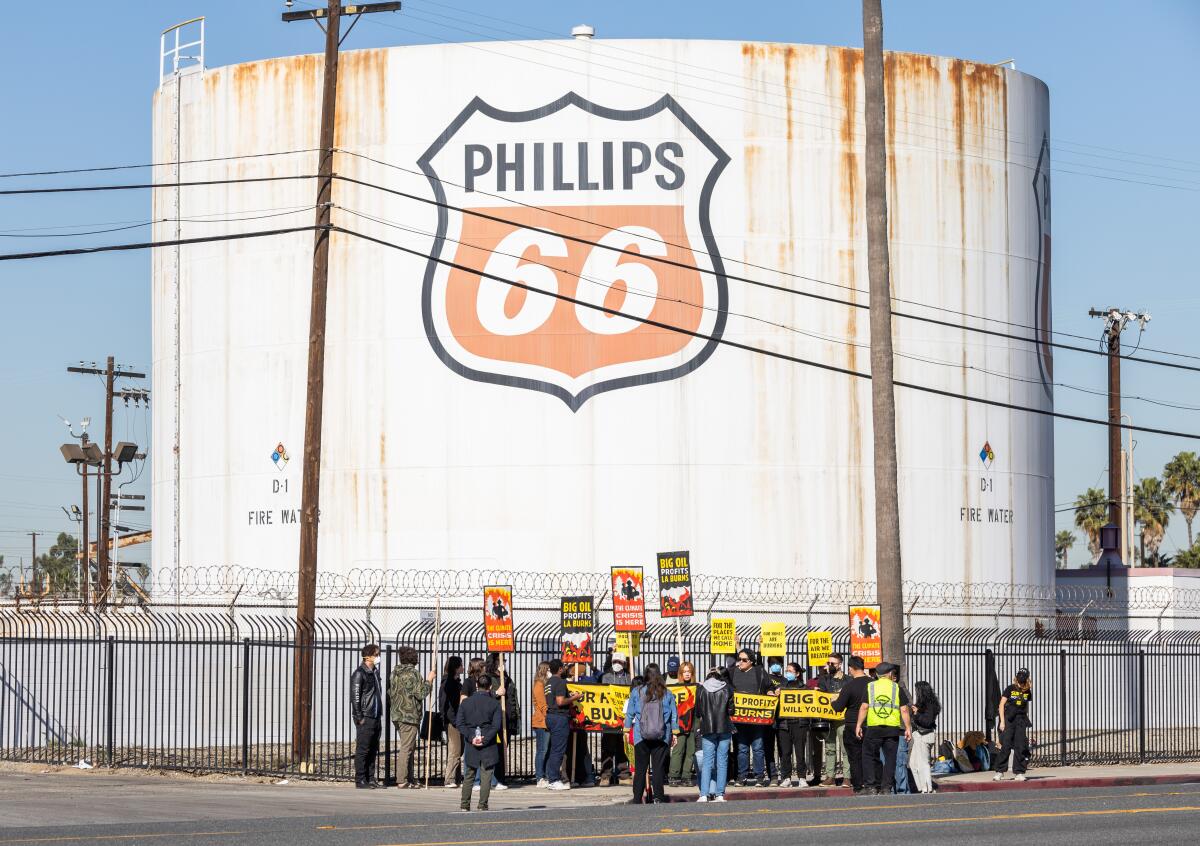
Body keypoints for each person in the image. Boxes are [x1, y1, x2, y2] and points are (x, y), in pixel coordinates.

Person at [855, 662, 912, 796]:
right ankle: (886, 788)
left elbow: (864, 707)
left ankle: (871, 786)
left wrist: (858, 725)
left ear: (878, 674)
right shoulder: (896, 688)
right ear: (890, 674)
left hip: (874, 727)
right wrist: (908, 728)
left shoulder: (870, 686)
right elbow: (904, 709)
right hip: (892, 728)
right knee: (890, 758)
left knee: (868, 756)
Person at [624, 664, 678, 804]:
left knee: (641, 768)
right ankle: (658, 797)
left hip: (641, 735)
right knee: (658, 768)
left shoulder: (637, 691)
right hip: (662, 735)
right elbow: (673, 716)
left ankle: (637, 798)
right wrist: (675, 733)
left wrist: (626, 729)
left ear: (646, 675)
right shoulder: (667, 693)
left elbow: (630, 713)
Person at [388, 645, 436, 788]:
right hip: (409, 715)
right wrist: (429, 680)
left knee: (409, 747)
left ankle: (409, 778)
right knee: (406, 748)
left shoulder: (395, 673)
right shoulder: (413, 674)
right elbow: (421, 693)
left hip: (397, 714)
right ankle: (402, 780)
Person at [455, 672, 503, 812]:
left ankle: (465, 804)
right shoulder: (494, 703)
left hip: (471, 740)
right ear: (489, 687)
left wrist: (471, 737)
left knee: (469, 774)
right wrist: (485, 738)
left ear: (477, 686)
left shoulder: (466, 703)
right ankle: (483, 804)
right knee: (486, 774)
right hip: (488, 741)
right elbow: (496, 725)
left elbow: (460, 723)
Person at [830, 655, 871, 793]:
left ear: (851, 668)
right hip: (871, 724)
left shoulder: (849, 686)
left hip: (853, 724)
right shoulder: (872, 683)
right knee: (870, 755)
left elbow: (838, 707)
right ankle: (871, 783)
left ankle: (859, 786)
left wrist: (832, 701)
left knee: (854, 756)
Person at [731, 648, 772, 786]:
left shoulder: (759, 672)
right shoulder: (732, 672)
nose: (740, 662)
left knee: (758, 748)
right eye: (739, 659)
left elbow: (769, 686)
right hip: (739, 720)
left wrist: (771, 692)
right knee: (741, 748)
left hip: (757, 719)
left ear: (751, 661)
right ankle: (741, 777)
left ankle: (759, 777)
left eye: (744, 660)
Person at [694, 666, 733, 802]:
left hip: (707, 728)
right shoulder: (727, 688)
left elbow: (698, 711)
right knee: (722, 761)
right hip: (725, 728)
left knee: (707, 762)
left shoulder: (701, 689)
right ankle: (720, 794)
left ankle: (703, 794)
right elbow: (731, 710)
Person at [544, 658, 582, 791]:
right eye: (563, 667)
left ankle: (552, 778)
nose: (565, 668)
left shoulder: (548, 682)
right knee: (558, 750)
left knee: (554, 749)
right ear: (560, 669)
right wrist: (574, 698)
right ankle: (553, 780)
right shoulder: (560, 682)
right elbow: (560, 701)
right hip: (559, 717)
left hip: (551, 716)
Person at [350, 643, 384, 789]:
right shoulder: (360, 673)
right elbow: (355, 697)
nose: (378, 657)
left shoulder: (375, 672)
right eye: (376, 654)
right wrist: (359, 717)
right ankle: (360, 779)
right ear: (368, 656)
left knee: (373, 748)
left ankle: (371, 778)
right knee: (363, 749)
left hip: (376, 716)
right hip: (366, 716)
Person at [483, 654, 518, 790]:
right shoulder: (488, 678)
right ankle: (494, 779)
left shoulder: (506, 678)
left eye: (504, 660)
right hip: (495, 721)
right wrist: (496, 693)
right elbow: (483, 695)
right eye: (501, 660)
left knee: (503, 748)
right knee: (495, 750)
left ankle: (500, 778)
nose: (503, 662)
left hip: (507, 719)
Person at [993, 668, 1033, 782]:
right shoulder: (1010, 688)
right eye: (1019, 675)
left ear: (1027, 678)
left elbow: (1026, 705)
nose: (1021, 677)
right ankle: (999, 771)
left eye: (1023, 676)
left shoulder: (1027, 690)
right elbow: (1001, 705)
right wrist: (1002, 722)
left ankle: (1019, 772)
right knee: (1005, 746)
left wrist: (1025, 719)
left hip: (1021, 720)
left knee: (1020, 746)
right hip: (1009, 719)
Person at [775, 662, 810, 788]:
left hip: (799, 724)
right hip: (784, 724)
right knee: (785, 753)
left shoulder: (804, 688)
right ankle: (786, 778)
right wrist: (775, 695)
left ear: (797, 673)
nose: (787, 673)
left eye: (790, 671)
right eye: (786, 671)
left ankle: (802, 777)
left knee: (800, 752)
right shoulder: (781, 686)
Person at [601, 654, 633, 784]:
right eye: (614, 661)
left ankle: (623, 774)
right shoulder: (606, 677)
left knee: (622, 747)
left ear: (624, 664)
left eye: (619, 661)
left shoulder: (629, 678)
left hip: (624, 719)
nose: (616, 663)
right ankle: (605, 775)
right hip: (610, 719)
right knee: (607, 747)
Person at [816, 653, 847, 786]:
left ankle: (847, 776)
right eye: (828, 663)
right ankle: (830, 776)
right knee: (829, 747)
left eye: (832, 663)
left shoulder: (848, 680)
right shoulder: (824, 679)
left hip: (842, 718)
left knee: (845, 747)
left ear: (839, 664)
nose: (829, 666)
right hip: (828, 717)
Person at [667, 660, 697, 786]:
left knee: (691, 750)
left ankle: (686, 776)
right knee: (678, 750)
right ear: (680, 673)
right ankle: (674, 776)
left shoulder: (697, 686)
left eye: (689, 671)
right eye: (684, 672)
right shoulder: (674, 688)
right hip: (679, 723)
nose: (687, 674)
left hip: (693, 722)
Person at [909, 680, 940, 794]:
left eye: (917, 690)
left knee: (923, 762)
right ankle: (921, 787)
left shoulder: (929, 704)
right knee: (913, 763)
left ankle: (928, 788)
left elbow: (927, 721)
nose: (916, 693)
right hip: (919, 736)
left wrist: (917, 713)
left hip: (925, 736)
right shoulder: (923, 704)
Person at [439, 656, 465, 789]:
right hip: (453, 721)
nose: (463, 667)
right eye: (461, 665)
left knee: (459, 750)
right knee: (454, 750)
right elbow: (446, 705)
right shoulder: (448, 683)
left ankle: (457, 777)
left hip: (458, 720)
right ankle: (449, 779)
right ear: (456, 668)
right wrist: (453, 721)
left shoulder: (456, 682)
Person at [763, 658, 785, 784]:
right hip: (769, 718)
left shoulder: (786, 679)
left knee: (783, 748)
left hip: (782, 718)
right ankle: (773, 776)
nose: (775, 665)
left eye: (777, 663)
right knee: (769, 748)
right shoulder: (765, 677)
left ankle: (785, 774)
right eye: (772, 664)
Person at [531, 661, 551, 787]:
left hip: (545, 722)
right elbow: (542, 703)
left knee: (547, 750)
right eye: (548, 669)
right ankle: (540, 777)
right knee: (542, 750)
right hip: (541, 722)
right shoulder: (539, 684)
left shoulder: (546, 684)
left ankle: (546, 775)